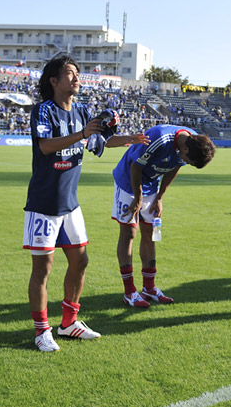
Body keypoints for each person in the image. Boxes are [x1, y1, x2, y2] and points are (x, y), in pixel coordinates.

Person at [25, 56, 148, 353]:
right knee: (44, 268)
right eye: (70, 74)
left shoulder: (82, 111)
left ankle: (69, 323)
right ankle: (42, 330)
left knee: (80, 261)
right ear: (54, 81)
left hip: (70, 204)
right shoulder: (43, 111)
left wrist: (130, 139)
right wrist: (82, 134)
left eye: (77, 73)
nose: (77, 78)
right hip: (44, 203)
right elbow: (45, 146)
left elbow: (99, 143)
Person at [111, 124, 215, 307]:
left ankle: (149, 288)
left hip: (151, 185)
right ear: (184, 149)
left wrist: (160, 197)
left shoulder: (190, 142)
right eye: (188, 160)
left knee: (153, 234)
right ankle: (129, 292)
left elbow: (175, 167)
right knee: (129, 234)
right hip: (128, 183)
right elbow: (135, 166)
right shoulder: (158, 138)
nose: (186, 163)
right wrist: (137, 198)